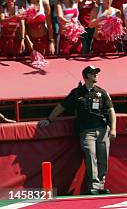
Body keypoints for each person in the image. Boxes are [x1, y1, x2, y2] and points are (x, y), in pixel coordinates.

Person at [40, 66, 116, 195]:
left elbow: (111, 111)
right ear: (86, 76)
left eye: (96, 73)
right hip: (86, 130)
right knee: (90, 155)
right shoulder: (76, 93)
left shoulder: (102, 92)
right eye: (93, 73)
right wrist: (49, 119)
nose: (96, 75)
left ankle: (100, 185)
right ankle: (94, 186)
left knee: (103, 157)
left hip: (103, 129)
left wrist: (113, 128)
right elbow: (62, 106)